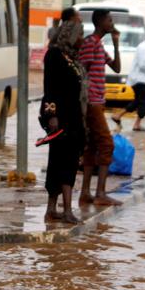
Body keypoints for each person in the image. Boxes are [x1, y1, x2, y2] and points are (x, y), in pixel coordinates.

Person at [42, 19, 87, 224]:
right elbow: (49, 87)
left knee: (67, 161)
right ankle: (66, 210)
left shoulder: (73, 58)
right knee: (61, 162)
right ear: (69, 35)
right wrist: (52, 116)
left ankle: (53, 210)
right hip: (60, 120)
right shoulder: (54, 56)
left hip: (75, 118)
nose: (82, 39)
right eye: (79, 34)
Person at [78, 9, 122, 207]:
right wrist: (84, 103)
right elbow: (81, 71)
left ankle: (86, 193)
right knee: (106, 144)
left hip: (97, 101)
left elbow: (117, 67)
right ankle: (100, 193)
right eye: (109, 20)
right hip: (92, 102)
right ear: (101, 21)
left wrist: (116, 43)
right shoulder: (89, 43)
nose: (112, 23)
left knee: (92, 146)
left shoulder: (98, 45)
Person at [111, 32, 145, 131]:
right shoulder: (144, 48)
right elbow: (142, 64)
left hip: (140, 79)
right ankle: (135, 124)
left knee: (138, 101)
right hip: (139, 80)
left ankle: (119, 115)